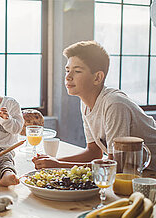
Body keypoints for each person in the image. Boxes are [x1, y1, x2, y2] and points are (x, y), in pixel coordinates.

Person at [33, 40, 156, 170]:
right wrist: (54, 161)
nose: (68, 77)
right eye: (67, 70)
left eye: (77, 71)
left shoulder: (114, 104)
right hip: (134, 171)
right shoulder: (85, 103)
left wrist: (60, 165)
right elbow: (93, 152)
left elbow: (116, 165)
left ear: (97, 77)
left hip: (149, 172)